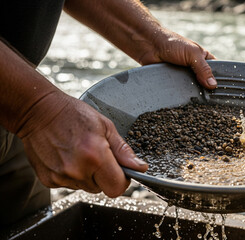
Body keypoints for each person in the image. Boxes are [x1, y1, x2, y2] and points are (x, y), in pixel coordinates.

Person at [0, 0, 217, 226]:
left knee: (28, 227)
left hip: (15, 108)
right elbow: (36, 111)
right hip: (24, 106)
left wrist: (150, 38)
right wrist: (38, 109)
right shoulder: (34, 113)